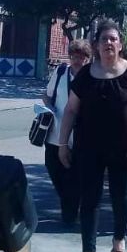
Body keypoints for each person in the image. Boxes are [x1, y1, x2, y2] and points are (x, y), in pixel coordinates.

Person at [57, 19, 127, 252]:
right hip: (88, 148)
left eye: (113, 39)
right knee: (89, 199)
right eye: (104, 39)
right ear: (96, 45)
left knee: (120, 198)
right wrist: (62, 143)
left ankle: (119, 239)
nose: (109, 43)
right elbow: (70, 110)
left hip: (123, 148)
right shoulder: (86, 75)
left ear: (120, 44)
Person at [42, 39, 91, 226]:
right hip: (55, 133)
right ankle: (69, 205)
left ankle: (69, 214)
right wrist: (49, 109)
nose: (77, 60)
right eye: (74, 56)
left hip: (80, 137)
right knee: (54, 169)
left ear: (87, 58)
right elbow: (46, 95)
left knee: (74, 176)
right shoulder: (61, 72)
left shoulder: (92, 76)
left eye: (81, 57)